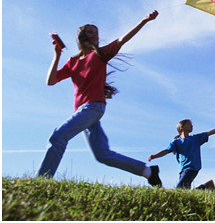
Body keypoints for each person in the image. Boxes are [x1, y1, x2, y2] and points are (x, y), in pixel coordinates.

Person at [37, 10, 163, 187]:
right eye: (90, 31)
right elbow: (51, 81)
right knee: (102, 154)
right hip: (83, 111)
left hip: (93, 107)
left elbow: (122, 40)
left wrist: (144, 20)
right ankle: (148, 171)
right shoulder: (72, 62)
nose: (95, 35)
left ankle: (42, 181)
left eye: (96, 32)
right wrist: (57, 56)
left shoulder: (100, 54)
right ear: (81, 36)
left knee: (59, 136)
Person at [148, 119, 215, 190]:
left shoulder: (195, 139)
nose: (192, 126)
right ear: (182, 127)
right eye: (189, 124)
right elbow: (166, 151)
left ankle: (207, 187)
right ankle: (207, 187)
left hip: (191, 168)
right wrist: (154, 156)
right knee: (184, 192)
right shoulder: (176, 142)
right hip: (183, 170)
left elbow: (209, 133)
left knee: (179, 190)